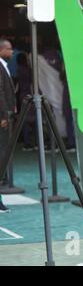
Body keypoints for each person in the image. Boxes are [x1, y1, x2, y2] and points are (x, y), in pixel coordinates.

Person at [0, 39, 15, 213]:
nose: (12, 52)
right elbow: (0, 91)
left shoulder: (4, 66)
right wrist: (3, 115)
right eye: (9, 49)